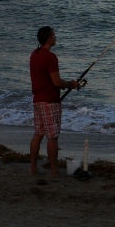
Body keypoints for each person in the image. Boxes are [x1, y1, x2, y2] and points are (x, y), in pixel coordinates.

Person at [29, 25, 83, 177]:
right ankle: (54, 170)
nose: (55, 37)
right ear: (48, 38)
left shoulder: (34, 54)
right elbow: (57, 82)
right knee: (52, 136)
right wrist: (71, 84)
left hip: (38, 100)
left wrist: (66, 85)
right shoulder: (50, 57)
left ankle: (32, 167)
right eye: (53, 35)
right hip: (49, 101)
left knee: (38, 134)